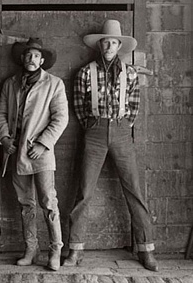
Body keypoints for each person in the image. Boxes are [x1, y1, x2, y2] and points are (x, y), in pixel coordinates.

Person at [64, 19, 158, 271]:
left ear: (119, 46)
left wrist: (124, 125)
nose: (109, 46)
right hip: (94, 132)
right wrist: (92, 125)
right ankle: (75, 249)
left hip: (121, 131)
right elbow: (79, 105)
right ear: (100, 45)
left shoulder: (129, 72)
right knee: (84, 191)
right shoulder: (86, 72)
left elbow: (134, 102)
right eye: (105, 42)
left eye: (113, 42)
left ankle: (146, 249)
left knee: (134, 190)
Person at [0, 38, 69, 271]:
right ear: (22, 58)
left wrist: (44, 143)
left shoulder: (54, 84)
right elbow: (1, 113)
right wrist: (5, 138)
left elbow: (60, 118)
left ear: (42, 60)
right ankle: (31, 248)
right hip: (16, 152)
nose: (31, 59)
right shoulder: (11, 83)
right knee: (25, 203)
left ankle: (55, 249)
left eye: (36, 56)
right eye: (28, 55)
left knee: (48, 200)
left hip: (41, 154)